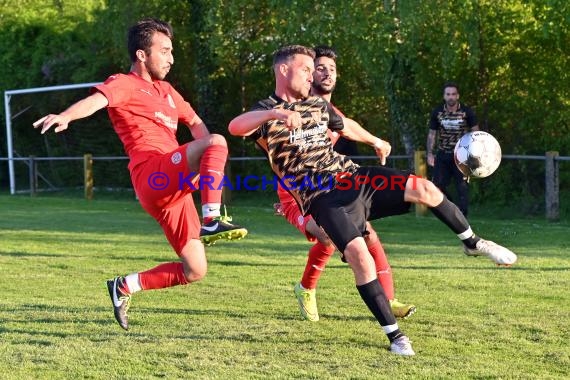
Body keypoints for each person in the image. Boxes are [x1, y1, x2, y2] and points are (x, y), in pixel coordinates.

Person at [228, 45, 517, 356]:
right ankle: (395, 337)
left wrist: (376, 140)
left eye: (314, 70)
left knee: (426, 190)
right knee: (359, 256)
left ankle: (471, 242)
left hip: (354, 178)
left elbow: (344, 124)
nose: (312, 76)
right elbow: (235, 127)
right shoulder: (266, 111)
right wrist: (276, 113)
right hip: (322, 197)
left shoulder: (316, 105)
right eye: (306, 70)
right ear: (284, 70)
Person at [33, 18, 247, 330]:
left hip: (176, 189)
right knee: (217, 141)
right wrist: (66, 115)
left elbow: (195, 121)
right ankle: (212, 219)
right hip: (151, 173)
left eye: (172, 51)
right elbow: (95, 102)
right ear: (142, 54)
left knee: (195, 270)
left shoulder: (168, 91)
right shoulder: (124, 83)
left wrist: (202, 155)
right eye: (165, 51)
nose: (171, 58)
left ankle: (124, 286)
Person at [276, 45, 415, 322]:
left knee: (367, 233)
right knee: (329, 234)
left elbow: (347, 126)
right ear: (306, 73)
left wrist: (376, 141)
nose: (327, 73)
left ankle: (387, 299)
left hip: (326, 189)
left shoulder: (330, 111)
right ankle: (306, 288)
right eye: (319, 68)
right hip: (296, 195)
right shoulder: (290, 108)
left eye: (332, 69)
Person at [427, 82, 479, 216]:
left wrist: (475, 154)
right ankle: (451, 209)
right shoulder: (437, 112)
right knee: (437, 186)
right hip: (443, 154)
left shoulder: (467, 112)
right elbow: (432, 134)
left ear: (458, 96)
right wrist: (430, 154)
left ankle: (462, 216)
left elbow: (476, 133)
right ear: (444, 96)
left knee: (462, 187)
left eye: (453, 94)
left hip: (461, 155)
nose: (451, 97)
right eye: (448, 94)